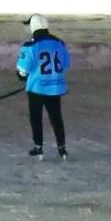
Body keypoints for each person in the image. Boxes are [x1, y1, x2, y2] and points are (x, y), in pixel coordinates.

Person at [16, 14, 71, 160]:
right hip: (56, 87)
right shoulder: (59, 43)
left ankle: (38, 148)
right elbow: (65, 64)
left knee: (36, 117)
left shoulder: (30, 46)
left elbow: (22, 71)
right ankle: (62, 148)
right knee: (56, 117)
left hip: (37, 88)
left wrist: (25, 77)